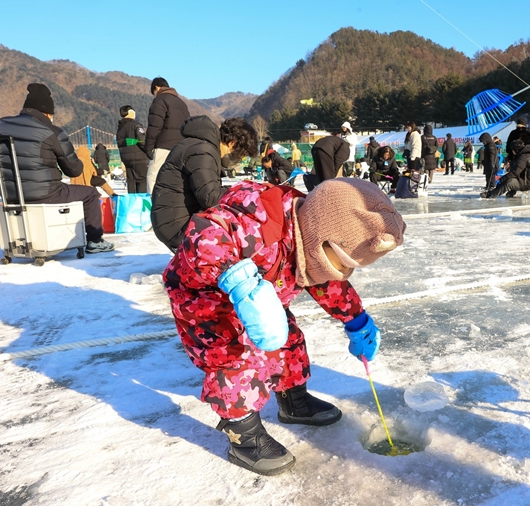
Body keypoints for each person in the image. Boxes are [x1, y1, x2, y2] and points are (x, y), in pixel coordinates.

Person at [163, 178, 405, 475]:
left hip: (261, 296)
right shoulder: (260, 223)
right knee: (237, 356)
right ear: (321, 236)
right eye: (344, 264)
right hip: (207, 299)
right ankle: (244, 435)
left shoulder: (305, 240)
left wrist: (356, 320)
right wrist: (239, 280)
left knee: (289, 340)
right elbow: (205, 234)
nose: (344, 272)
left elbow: (328, 283)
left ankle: (293, 402)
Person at [0, 83, 114, 254]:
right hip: (46, 193)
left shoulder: (1, 125)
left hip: (9, 194)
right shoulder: (52, 131)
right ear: (48, 112)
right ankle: (95, 241)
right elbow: (73, 171)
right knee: (90, 193)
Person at [151, 116, 258, 251]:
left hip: (172, 218)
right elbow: (210, 197)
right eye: (241, 155)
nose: (240, 160)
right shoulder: (202, 150)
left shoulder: (200, 145)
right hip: (176, 225)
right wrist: (241, 191)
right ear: (232, 144)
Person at [145, 77, 190, 193]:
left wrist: (148, 148)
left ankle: (153, 205)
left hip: (163, 146)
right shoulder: (182, 103)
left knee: (153, 176)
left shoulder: (160, 100)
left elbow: (154, 127)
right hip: (180, 148)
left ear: (156, 88)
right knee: (174, 179)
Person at [117, 105, 151, 193]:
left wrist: (132, 141)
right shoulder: (136, 125)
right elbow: (142, 141)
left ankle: (132, 202)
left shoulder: (120, 128)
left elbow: (121, 143)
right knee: (142, 180)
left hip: (126, 159)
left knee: (131, 181)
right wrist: (149, 151)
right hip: (139, 158)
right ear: (131, 113)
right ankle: (141, 203)